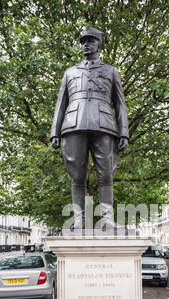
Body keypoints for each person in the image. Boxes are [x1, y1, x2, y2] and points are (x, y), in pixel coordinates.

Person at [50, 26, 129, 230]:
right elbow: (61, 103)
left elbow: (120, 104)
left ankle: (107, 220)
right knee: (77, 175)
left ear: (98, 44)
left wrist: (124, 132)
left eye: (90, 41)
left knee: (106, 175)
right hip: (73, 125)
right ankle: (79, 220)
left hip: (104, 126)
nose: (86, 44)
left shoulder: (111, 71)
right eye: (83, 41)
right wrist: (54, 132)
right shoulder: (70, 72)